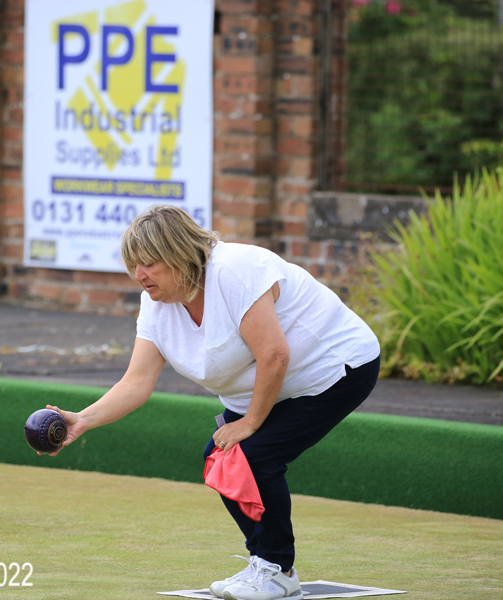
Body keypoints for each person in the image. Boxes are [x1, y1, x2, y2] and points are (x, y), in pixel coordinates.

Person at [42, 205, 381, 600]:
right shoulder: (156, 304)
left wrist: (250, 423)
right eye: (134, 265)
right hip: (267, 383)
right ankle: (267, 564)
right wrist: (82, 419)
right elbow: (136, 382)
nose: (140, 275)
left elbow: (275, 354)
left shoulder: (234, 271)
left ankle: (276, 568)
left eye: (149, 263)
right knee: (221, 459)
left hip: (335, 369)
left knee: (252, 457)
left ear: (179, 255)